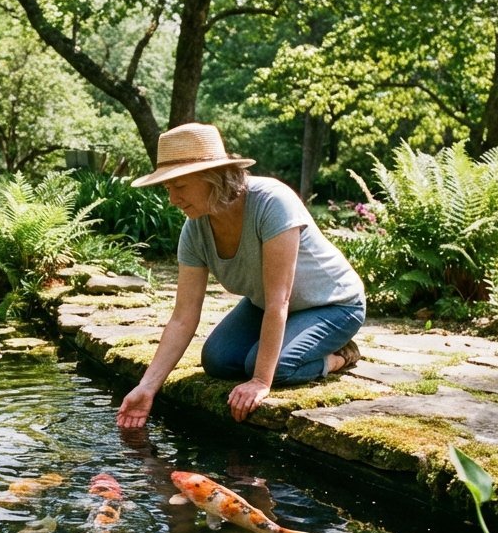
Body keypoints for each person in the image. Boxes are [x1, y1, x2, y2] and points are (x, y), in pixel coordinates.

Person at [116, 122, 365, 428]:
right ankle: (300, 350)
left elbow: (279, 300)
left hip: (334, 305)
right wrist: (148, 386)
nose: (172, 199)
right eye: (168, 188)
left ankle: (339, 356)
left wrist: (260, 380)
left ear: (213, 177)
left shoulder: (273, 202)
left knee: (277, 368)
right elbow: (182, 317)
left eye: (179, 186)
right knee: (218, 360)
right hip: (265, 306)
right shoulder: (194, 231)